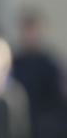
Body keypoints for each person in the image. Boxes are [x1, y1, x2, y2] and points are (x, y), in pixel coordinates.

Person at [11, 9, 64, 138]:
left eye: (32, 29)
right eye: (26, 29)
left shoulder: (50, 65)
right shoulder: (13, 62)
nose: (29, 35)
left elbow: (58, 101)